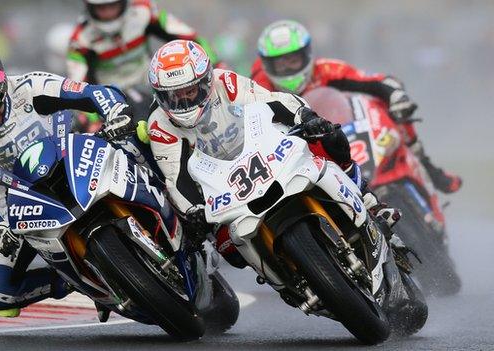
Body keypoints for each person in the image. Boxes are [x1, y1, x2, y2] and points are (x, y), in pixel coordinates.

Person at [145, 40, 399, 268]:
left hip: (261, 150)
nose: (184, 101)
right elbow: (176, 177)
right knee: (229, 250)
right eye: (174, 96)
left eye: (190, 91)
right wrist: (194, 211)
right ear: (160, 96)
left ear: (206, 82)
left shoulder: (225, 82)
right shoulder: (158, 125)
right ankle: (287, 273)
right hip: (219, 185)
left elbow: (271, 100)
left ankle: (367, 198)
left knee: (328, 137)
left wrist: (306, 117)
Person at [0, 39, 132, 317]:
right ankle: (81, 284)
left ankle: (178, 210)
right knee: (0, 295)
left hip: (74, 167)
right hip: (24, 210)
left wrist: (115, 112)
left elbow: (95, 93)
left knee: (137, 139)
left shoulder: (31, 86)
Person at [250, 20, 461, 194]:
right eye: (280, 63)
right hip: (295, 152)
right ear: (268, 65)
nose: (287, 68)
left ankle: (428, 167)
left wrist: (395, 95)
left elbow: (377, 81)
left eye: (293, 60)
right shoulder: (257, 87)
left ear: (306, 55)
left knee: (395, 109)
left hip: (340, 135)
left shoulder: (326, 69)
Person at [66, 0, 221, 90]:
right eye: (101, 8)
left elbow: (191, 38)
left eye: (112, 6)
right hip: (111, 101)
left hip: (155, 88)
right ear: (89, 7)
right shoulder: (80, 40)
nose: (108, 13)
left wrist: (216, 64)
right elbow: (78, 86)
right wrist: (92, 120)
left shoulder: (144, 11)